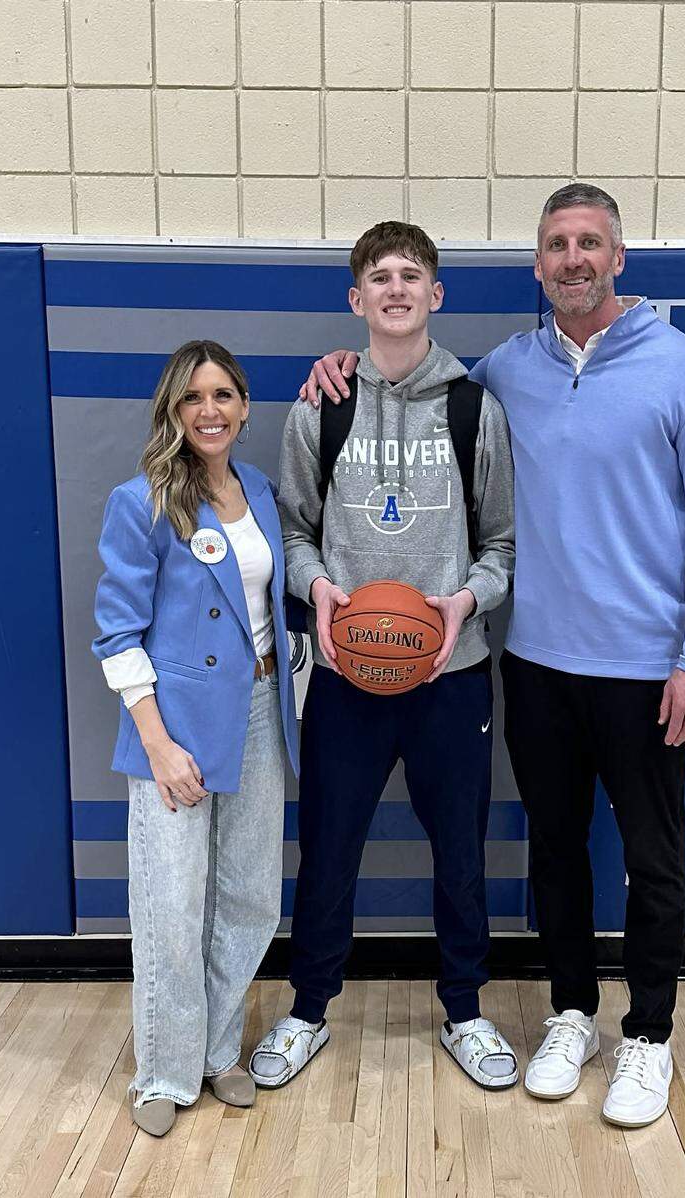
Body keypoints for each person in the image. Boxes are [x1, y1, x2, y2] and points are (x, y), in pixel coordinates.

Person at [298, 184, 685, 1126]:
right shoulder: (506, 371)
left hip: (645, 668)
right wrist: (337, 369)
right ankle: (573, 1011)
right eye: (556, 245)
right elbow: (404, 375)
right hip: (538, 663)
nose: (574, 258)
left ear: (619, 257)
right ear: (537, 266)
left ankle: (651, 1037)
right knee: (555, 854)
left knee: (653, 860)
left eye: (591, 243)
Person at [248, 221, 518, 1091]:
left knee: (461, 853)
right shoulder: (318, 405)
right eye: (379, 276)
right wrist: (320, 589)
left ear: (436, 297)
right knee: (328, 848)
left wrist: (465, 599)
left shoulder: (476, 408)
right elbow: (291, 530)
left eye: (412, 275)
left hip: (452, 673)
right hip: (344, 677)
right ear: (355, 299)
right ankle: (308, 1011)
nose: (395, 288)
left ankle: (466, 1013)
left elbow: (504, 547)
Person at [93, 340, 300, 1136]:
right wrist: (156, 742)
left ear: (245, 408)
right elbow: (116, 634)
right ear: (172, 412)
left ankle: (218, 1052)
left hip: (257, 713)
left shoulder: (260, 489)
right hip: (175, 726)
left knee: (246, 897)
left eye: (223, 395)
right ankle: (164, 1071)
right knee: (172, 903)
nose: (209, 410)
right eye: (193, 398)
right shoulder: (141, 501)